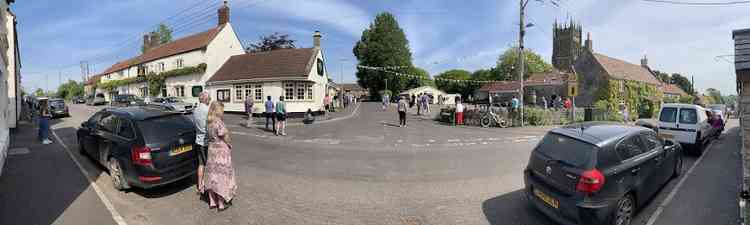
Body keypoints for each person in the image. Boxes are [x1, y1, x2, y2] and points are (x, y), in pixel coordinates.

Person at [204, 101, 236, 211]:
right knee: (222, 176)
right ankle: (221, 203)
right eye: (222, 109)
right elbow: (225, 136)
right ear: (218, 110)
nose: (223, 111)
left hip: (212, 149)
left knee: (212, 175)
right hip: (221, 151)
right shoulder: (219, 122)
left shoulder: (208, 122)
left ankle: (212, 202)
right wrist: (229, 144)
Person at [193, 91, 211, 194]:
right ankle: (206, 186)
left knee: (201, 164)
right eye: (209, 98)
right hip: (206, 141)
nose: (210, 99)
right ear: (205, 99)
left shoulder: (195, 110)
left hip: (198, 139)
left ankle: (199, 185)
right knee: (208, 164)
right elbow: (210, 127)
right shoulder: (208, 110)